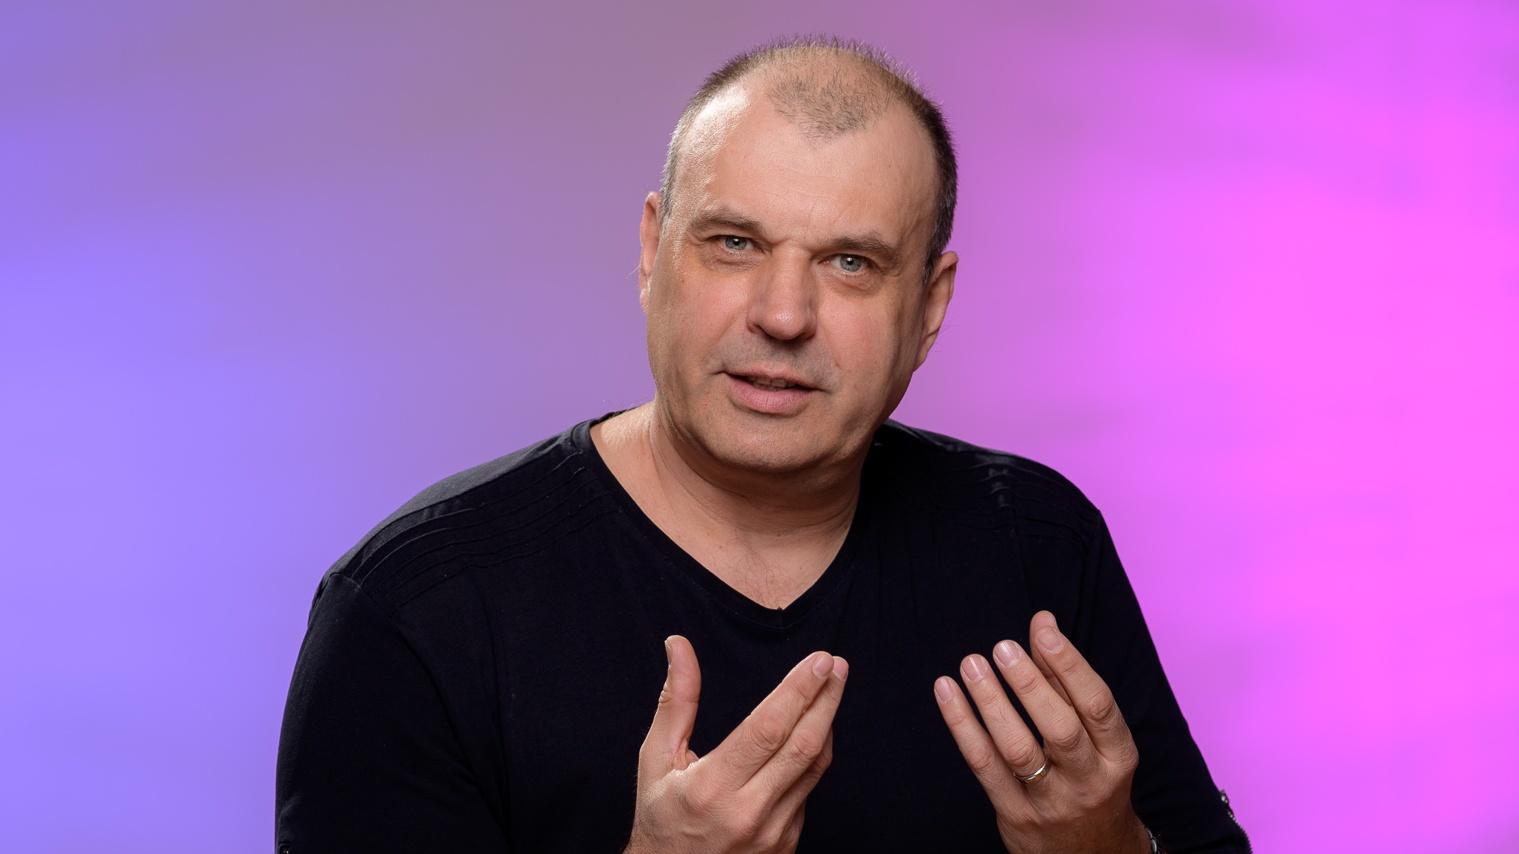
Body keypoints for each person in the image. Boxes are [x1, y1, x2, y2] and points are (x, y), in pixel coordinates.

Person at [275, 36, 1250, 853]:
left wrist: (1108, 847)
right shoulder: (416, 608)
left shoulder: (1034, 545)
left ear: (929, 306)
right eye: (734, 243)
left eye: (850, 262)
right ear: (653, 252)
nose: (783, 314)